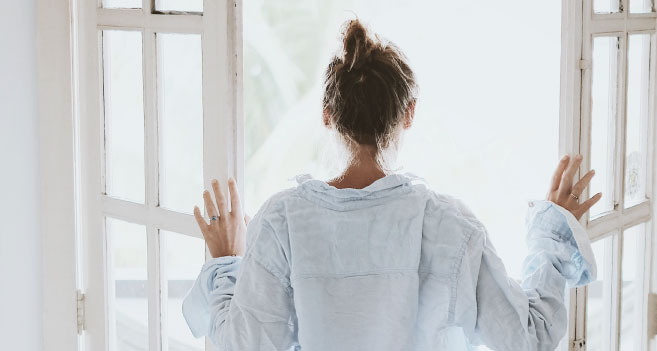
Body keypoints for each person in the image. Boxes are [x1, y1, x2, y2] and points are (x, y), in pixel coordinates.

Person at [182, 19, 601, 351]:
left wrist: (224, 265)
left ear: (328, 114)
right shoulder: (450, 226)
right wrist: (554, 236)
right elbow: (528, 338)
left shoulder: (281, 222)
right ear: (409, 113)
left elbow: (247, 345)